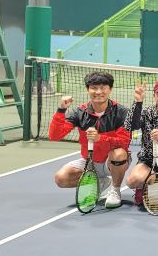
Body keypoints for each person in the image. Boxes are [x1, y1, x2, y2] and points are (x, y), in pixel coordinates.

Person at [49, 71, 132, 208]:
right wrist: (61, 110)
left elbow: (124, 142)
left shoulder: (122, 112)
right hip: (90, 161)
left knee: (119, 153)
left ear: (110, 89)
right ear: (88, 89)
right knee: (61, 178)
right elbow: (54, 136)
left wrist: (100, 138)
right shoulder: (79, 112)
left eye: (103, 88)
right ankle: (100, 182)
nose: (98, 92)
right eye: (94, 88)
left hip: (111, 162)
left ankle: (115, 190)